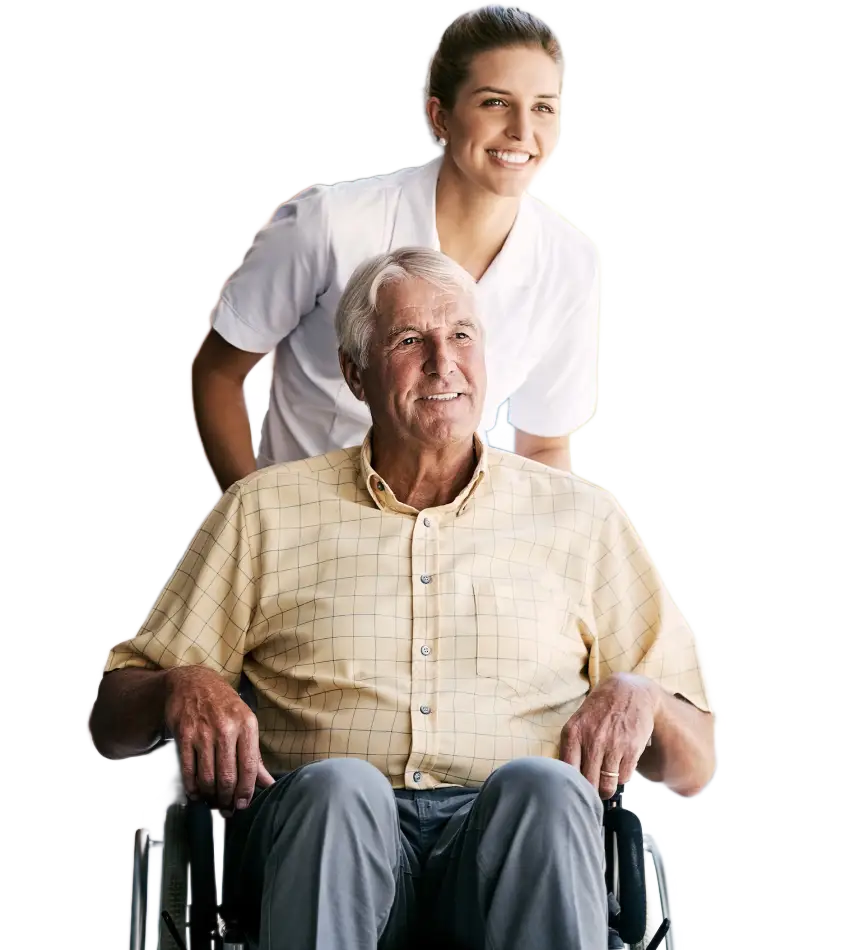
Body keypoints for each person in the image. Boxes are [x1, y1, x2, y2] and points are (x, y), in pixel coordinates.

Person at [91, 250, 716, 950]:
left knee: (544, 790)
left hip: (512, 851)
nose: (441, 364)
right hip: (316, 844)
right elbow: (111, 725)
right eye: (409, 340)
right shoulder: (263, 512)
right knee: (339, 792)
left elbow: (694, 767)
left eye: (461, 337)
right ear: (356, 372)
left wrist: (644, 696)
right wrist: (182, 682)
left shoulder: (583, 520)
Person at [189, 2, 602, 493]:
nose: (522, 130)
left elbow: (543, 447)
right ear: (439, 116)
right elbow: (217, 374)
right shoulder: (331, 225)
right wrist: (254, 522)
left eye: (543, 107)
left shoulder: (570, 264)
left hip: (451, 542)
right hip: (309, 533)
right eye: (495, 102)